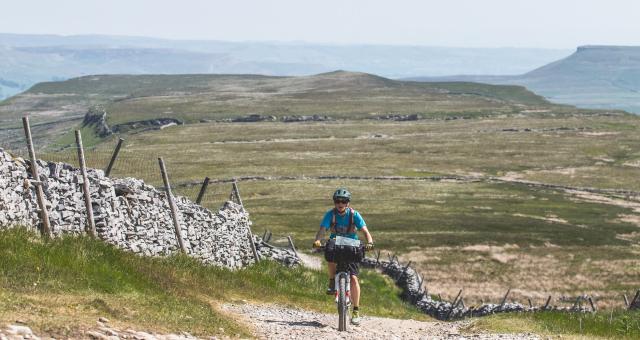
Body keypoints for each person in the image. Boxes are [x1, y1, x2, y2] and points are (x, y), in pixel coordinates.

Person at [313, 188, 374, 326]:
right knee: (329, 256)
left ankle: (356, 310)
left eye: (343, 201)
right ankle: (331, 281)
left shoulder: (354, 215)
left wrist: (370, 242)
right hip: (336, 244)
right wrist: (318, 240)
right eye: (337, 201)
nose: (340, 203)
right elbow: (322, 229)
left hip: (351, 246)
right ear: (334, 202)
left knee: (353, 278)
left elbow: (365, 231)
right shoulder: (330, 214)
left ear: (348, 203)